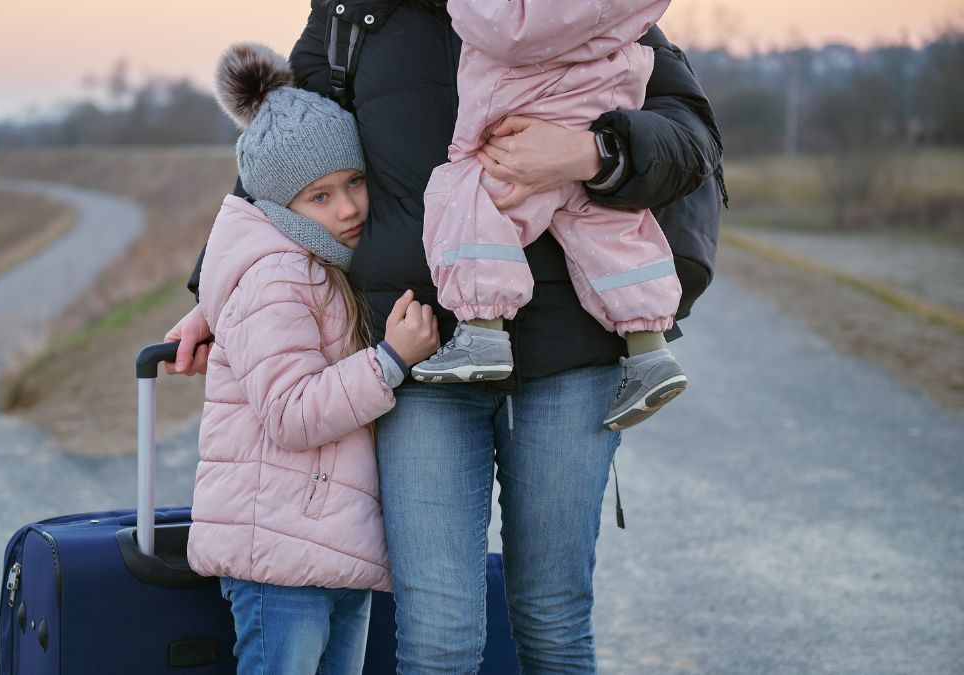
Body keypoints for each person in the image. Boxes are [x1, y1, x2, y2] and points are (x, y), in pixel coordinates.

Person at [170, 1, 724, 672]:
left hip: (571, 357)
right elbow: (280, 149)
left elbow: (691, 142)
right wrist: (215, 292)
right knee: (438, 640)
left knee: (553, 624)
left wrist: (589, 151)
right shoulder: (356, 16)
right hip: (422, 357)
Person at [185, 42, 439, 675]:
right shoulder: (276, 278)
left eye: (354, 182)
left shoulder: (325, 263)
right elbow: (291, 413)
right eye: (319, 197)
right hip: (276, 556)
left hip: (327, 545)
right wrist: (390, 361)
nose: (349, 207)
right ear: (279, 207)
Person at [412, 0, 688, 433]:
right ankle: (649, 351)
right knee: (610, 228)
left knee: (467, 197)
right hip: (596, 116)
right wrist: (592, 152)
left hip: (523, 121)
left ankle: (482, 330)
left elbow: (506, 28)